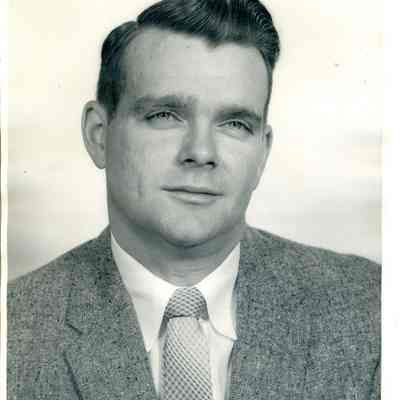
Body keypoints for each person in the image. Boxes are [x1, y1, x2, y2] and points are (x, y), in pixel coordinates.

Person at [7, 0, 380, 399]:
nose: (201, 152)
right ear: (99, 134)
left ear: (262, 153)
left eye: (235, 123)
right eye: (165, 115)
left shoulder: (372, 309)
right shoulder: (16, 328)